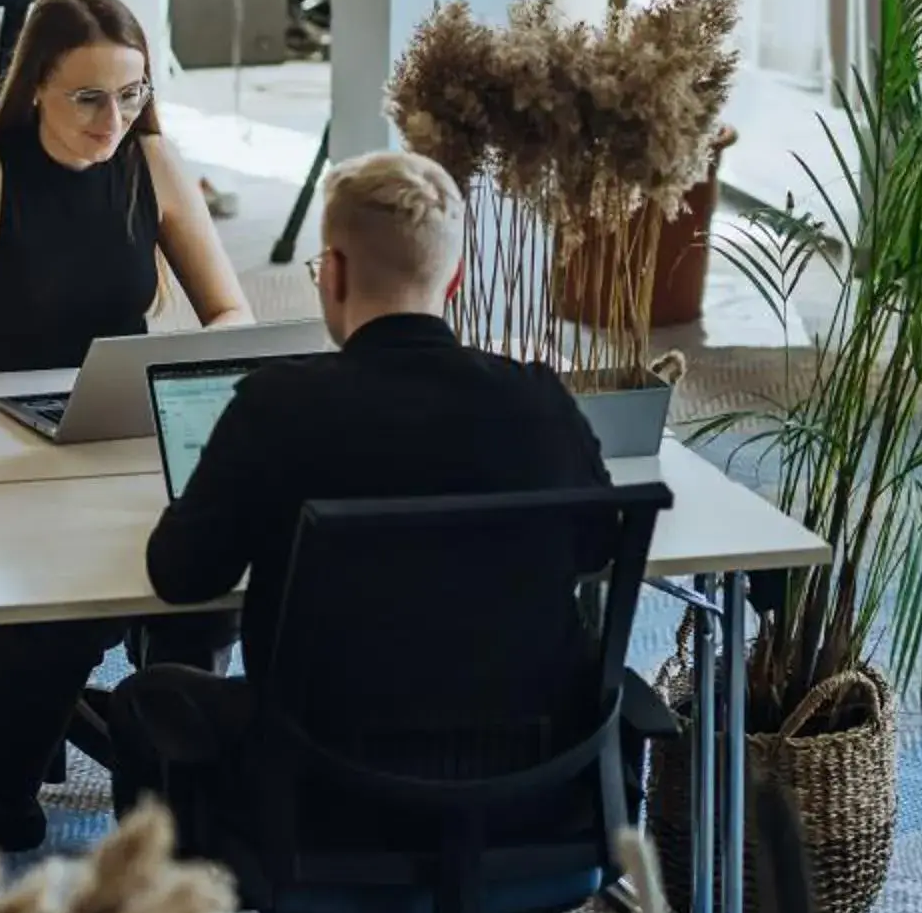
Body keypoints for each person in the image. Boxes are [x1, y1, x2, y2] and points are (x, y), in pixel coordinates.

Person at [0, 0, 254, 848]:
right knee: (3, 808)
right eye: (89, 97)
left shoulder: (151, 164)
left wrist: (196, 369)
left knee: (209, 581)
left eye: (133, 94)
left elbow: (230, 315)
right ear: (36, 84)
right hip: (10, 448)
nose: (113, 119)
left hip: (127, 433)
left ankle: (157, 800)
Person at [121, 150, 612, 794]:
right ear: (456, 279)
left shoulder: (278, 406)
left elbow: (181, 576)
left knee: (146, 699)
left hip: (320, 786)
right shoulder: (540, 400)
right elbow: (598, 546)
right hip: (525, 781)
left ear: (332, 272)